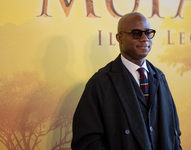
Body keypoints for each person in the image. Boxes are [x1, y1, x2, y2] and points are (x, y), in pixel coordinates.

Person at [71, 12, 182, 150]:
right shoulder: (100, 83)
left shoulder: (159, 77)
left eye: (148, 33)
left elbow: (174, 133)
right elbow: (87, 141)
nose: (144, 39)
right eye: (136, 33)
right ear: (119, 38)